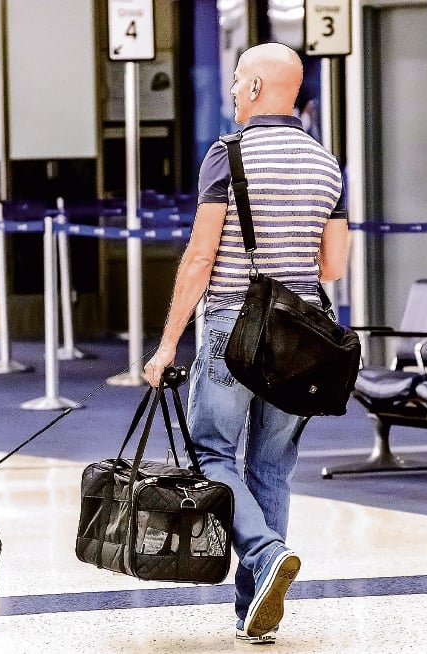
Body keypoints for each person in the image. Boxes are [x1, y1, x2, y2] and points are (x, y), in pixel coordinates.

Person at [144, 42, 349, 644]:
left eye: (237, 81)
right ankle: (252, 615)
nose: (232, 90)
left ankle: (262, 554)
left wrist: (166, 347)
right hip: (301, 335)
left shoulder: (226, 156)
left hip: (233, 325)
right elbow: (332, 266)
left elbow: (200, 258)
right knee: (271, 467)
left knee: (211, 453)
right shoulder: (326, 163)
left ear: (257, 87)